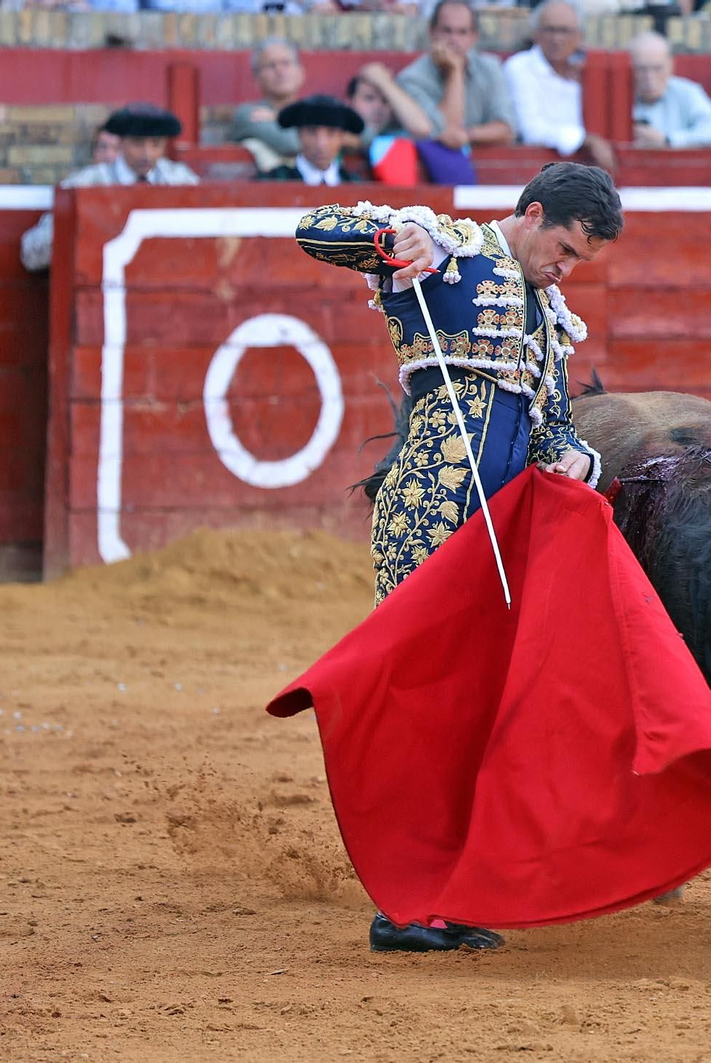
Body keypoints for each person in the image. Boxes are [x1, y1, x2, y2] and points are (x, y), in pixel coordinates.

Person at [293, 162, 623, 951]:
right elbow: (314, 227)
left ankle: (449, 886)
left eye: (580, 261)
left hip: (500, 529)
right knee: (428, 701)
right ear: (533, 213)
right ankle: (407, 904)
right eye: (565, 250)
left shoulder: (549, 317)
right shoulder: (449, 248)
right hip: (430, 514)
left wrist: (575, 457)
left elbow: (552, 428)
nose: (566, 269)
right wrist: (394, 236)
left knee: (480, 706)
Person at [19, 105, 198, 272]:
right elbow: (31, 254)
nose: (147, 154)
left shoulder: (181, 180)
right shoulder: (86, 184)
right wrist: (82, 227)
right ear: (121, 142)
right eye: (137, 143)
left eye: (156, 144)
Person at [503, 0, 617, 172]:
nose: (557, 38)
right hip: (536, 171)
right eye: (550, 30)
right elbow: (532, 131)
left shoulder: (589, 67)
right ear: (535, 33)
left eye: (565, 31)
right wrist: (585, 140)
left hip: (589, 171)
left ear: (580, 36)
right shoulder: (519, 67)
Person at [395, 0, 518, 150]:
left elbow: (508, 129)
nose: (454, 40)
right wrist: (455, 72)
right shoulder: (411, 78)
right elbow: (443, 132)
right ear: (432, 32)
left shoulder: (490, 67)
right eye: (447, 31)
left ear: (474, 36)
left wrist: (468, 135)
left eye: (462, 32)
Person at [629, 32, 711, 150]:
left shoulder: (687, 92)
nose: (649, 77)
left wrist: (668, 140)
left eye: (657, 68)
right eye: (641, 69)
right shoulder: (618, 94)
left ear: (670, 65)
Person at [229, 39, 308, 172]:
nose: (280, 71)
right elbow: (292, 144)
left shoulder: (314, 109)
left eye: (286, 63)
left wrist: (277, 117)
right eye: (271, 65)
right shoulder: (248, 114)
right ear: (257, 79)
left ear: (301, 72)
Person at [255, 96, 365, 185]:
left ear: (341, 137)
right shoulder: (274, 180)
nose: (321, 143)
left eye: (331, 133)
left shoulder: (355, 184)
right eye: (312, 132)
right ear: (299, 134)